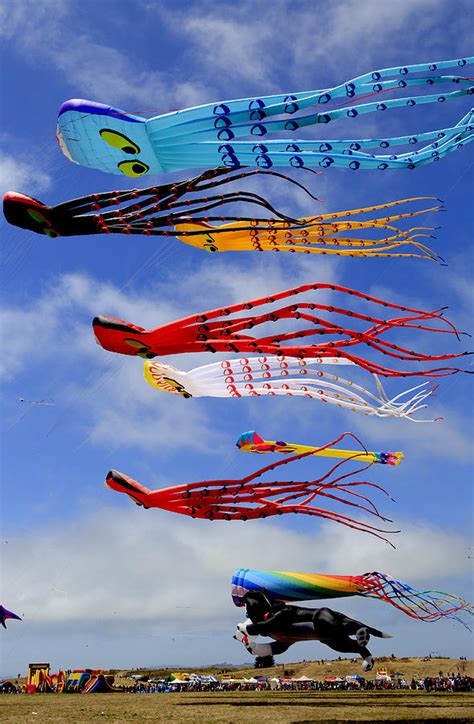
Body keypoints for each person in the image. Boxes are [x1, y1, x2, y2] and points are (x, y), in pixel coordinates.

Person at [235, 589, 391, 671]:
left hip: (319, 618)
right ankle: (366, 655)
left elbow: (268, 625)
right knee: (341, 646)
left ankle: (361, 630)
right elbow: (275, 648)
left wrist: (246, 628)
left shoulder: (281, 613)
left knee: (336, 626)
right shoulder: (277, 635)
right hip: (321, 636)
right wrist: (252, 647)